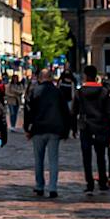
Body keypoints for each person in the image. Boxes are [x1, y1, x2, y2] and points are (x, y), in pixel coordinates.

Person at [23, 66, 73, 198]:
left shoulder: (35, 91)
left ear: (40, 78)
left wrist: (27, 128)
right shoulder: (58, 92)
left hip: (38, 129)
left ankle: (39, 186)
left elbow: (28, 111)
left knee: (38, 159)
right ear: (51, 78)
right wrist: (67, 130)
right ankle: (52, 188)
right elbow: (65, 112)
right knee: (53, 160)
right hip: (54, 129)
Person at [73, 65, 110, 192]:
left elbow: (74, 112)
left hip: (85, 127)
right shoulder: (104, 92)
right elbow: (109, 113)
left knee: (86, 157)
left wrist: (73, 128)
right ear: (95, 76)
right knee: (101, 156)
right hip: (101, 126)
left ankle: (89, 183)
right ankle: (102, 181)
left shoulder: (79, 92)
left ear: (85, 75)